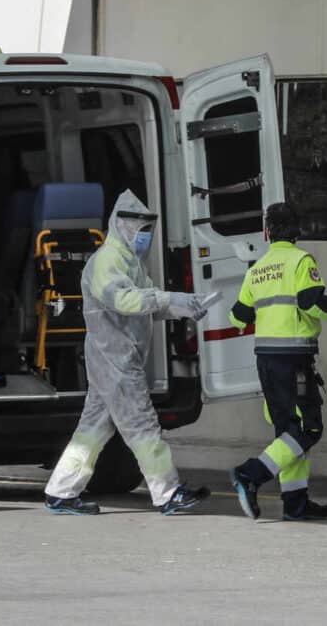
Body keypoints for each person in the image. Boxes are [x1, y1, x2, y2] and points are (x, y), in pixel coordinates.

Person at [45, 189, 210, 516]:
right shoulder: (107, 261)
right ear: (122, 226)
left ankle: (61, 492)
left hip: (115, 358)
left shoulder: (129, 261)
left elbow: (146, 306)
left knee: (92, 430)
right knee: (143, 424)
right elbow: (125, 301)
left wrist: (182, 307)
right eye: (141, 229)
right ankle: (168, 492)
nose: (145, 236)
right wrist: (168, 298)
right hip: (116, 359)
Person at [228, 202, 327, 521]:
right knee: (308, 427)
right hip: (294, 359)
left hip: (266, 360)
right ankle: (250, 474)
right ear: (296, 230)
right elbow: (311, 304)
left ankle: (295, 503)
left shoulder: (257, 268)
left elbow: (238, 317)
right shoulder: (301, 260)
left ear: (267, 232)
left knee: (287, 431)